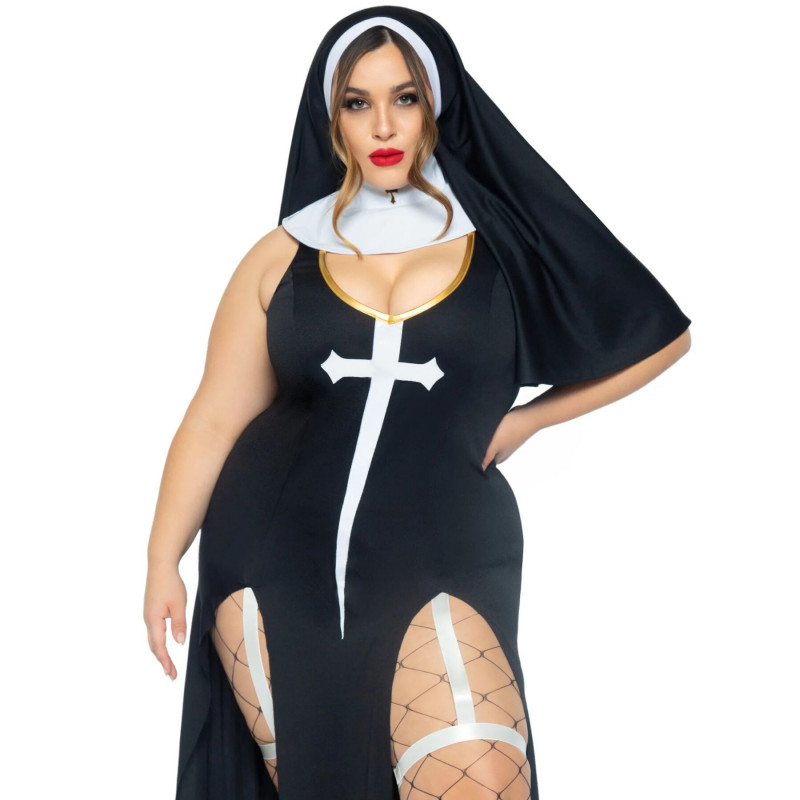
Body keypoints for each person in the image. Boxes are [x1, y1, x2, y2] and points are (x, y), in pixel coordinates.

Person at [143, 6, 692, 799]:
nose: (383, 125)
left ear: (438, 104)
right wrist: (162, 558)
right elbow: (215, 418)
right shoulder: (281, 254)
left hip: (446, 550)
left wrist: (532, 419)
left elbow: (659, 337)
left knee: (480, 774)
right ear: (331, 117)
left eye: (405, 98)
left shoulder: (504, 242)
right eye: (357, 102)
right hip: (272, 559)